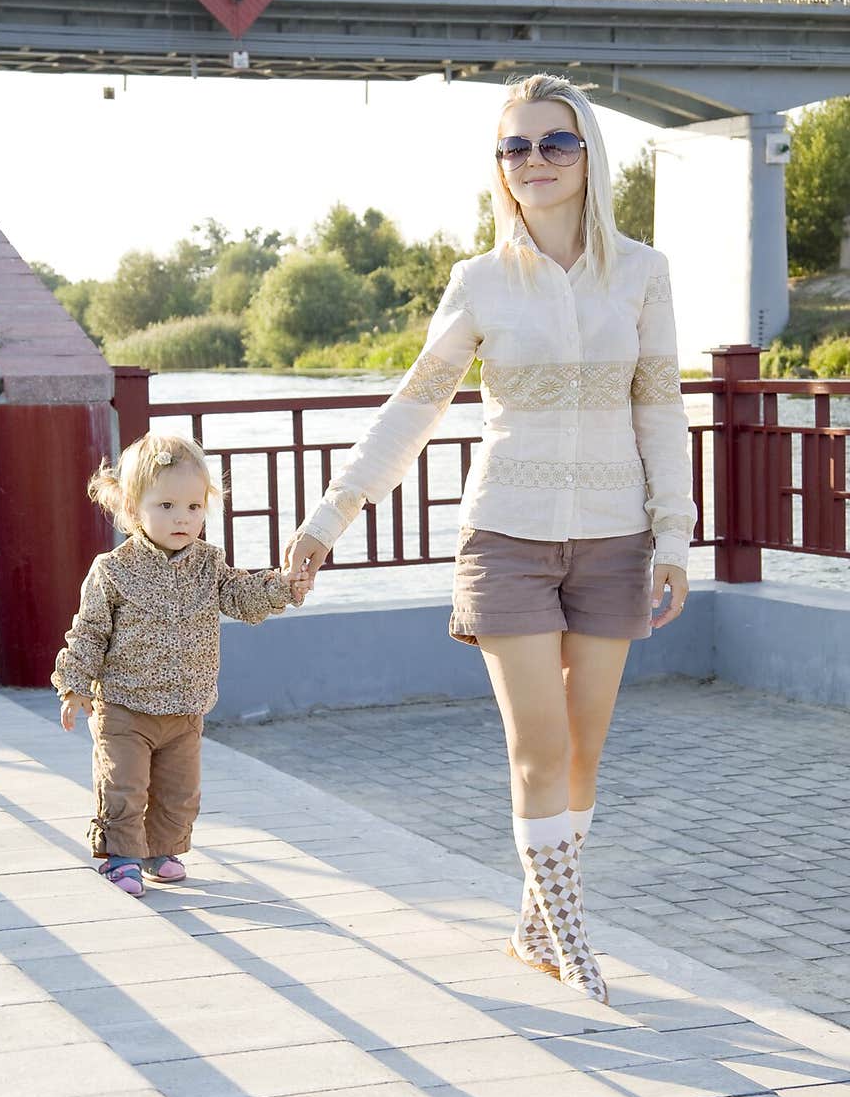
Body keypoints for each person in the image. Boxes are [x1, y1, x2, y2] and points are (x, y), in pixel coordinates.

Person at [285, 73, 697, 1006]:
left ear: (590, 154)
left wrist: (675, 537)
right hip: (505, 536)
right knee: (537, 749)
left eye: (554, 144)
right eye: (516, 149)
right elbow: (414, 409)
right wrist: (328, 517)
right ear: (499, 169)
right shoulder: (478, 282)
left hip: (616, 539)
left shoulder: (643, 273)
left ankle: (532, 925)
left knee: (585, 748)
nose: (535, 163)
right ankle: (571, 933)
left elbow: (662, 410)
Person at [52, 432, 308, 897]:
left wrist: (283, 586)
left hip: (186, 706)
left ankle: (158, 850)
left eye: (193, 507)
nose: (182, 518)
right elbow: (89, 632)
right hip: (125, 707)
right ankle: (122, 856)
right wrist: (74, 684)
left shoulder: (209, 565)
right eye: (166, 506)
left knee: (178, 792)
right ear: (133, 510)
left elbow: (243, 598)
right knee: (125, 786)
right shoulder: (112, 570)